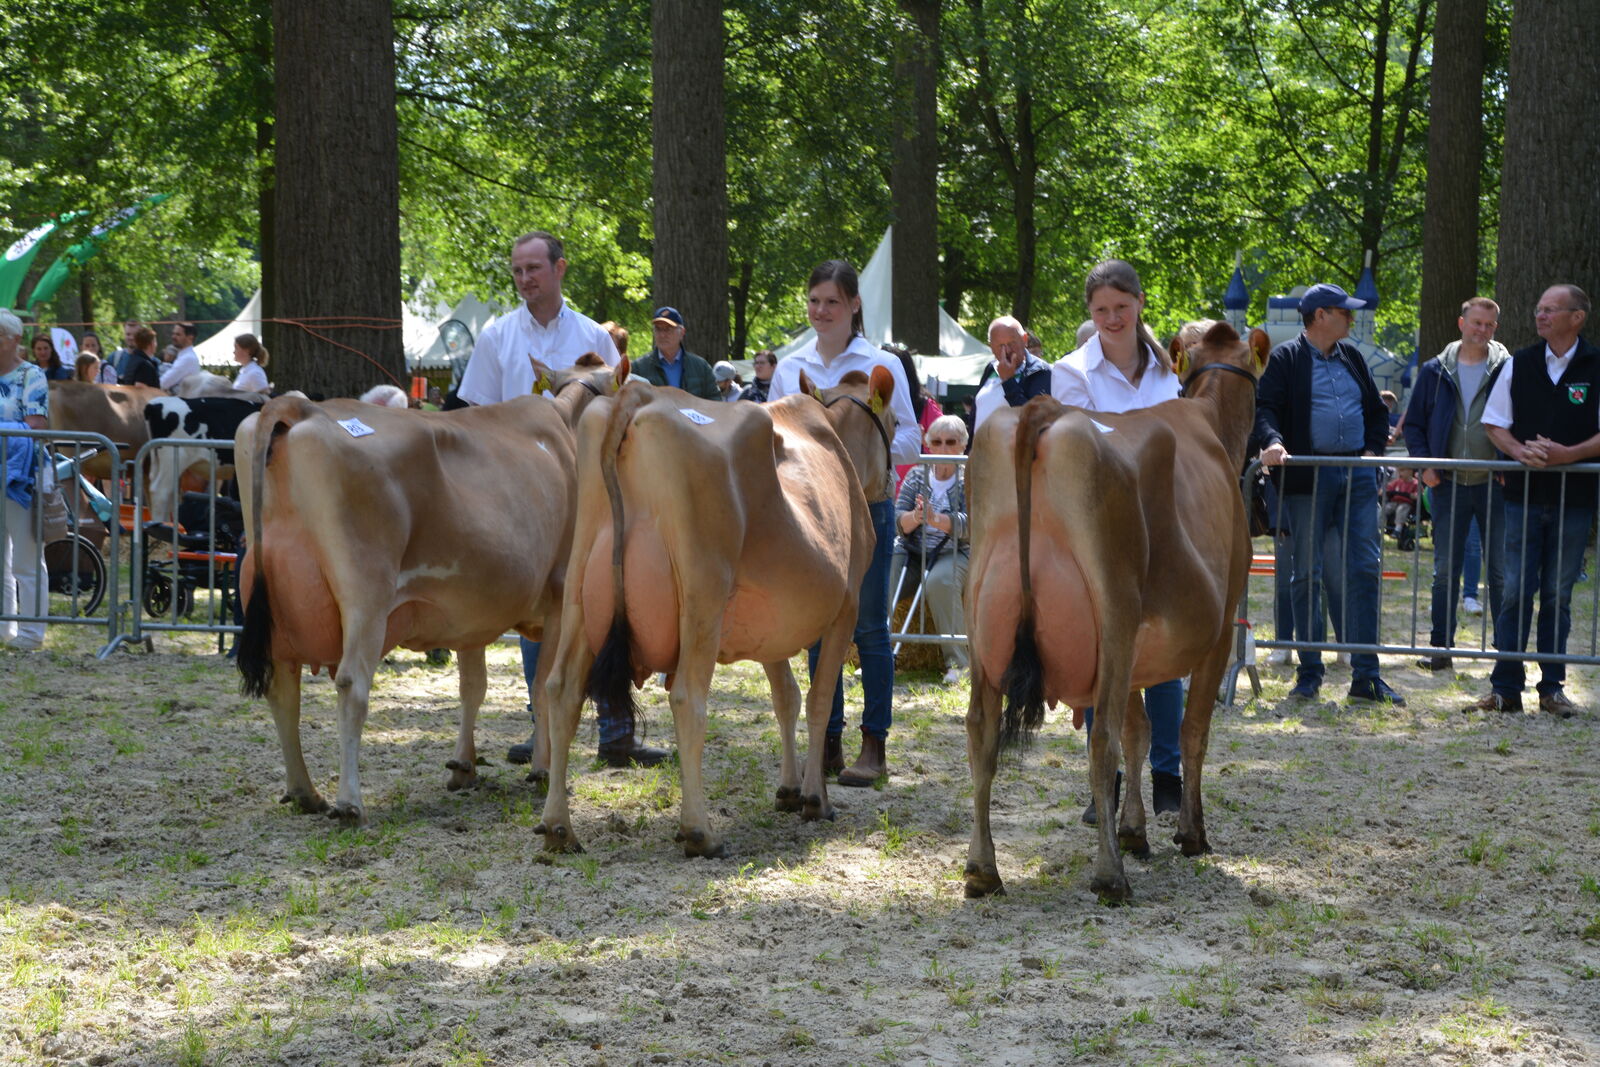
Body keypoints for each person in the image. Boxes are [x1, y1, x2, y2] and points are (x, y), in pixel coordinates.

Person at [454, 232, 658, 768]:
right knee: (537, 605)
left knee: (607, 595)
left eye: (534, 268)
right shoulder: (497, 336)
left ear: (560, 268)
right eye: (518, 270)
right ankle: (543, 727)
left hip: (592, 483)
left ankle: (616, 730)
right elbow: (471, 416)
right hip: (522, 492)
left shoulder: (594, 335)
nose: (525, 279)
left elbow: (623, 410)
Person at [767, 259, 920, 786]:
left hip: (870, 504)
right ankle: (824, 739)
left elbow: (909, 442)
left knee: (872, 626)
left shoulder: (884, 364)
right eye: (813, 301)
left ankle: (874, 743)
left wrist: (853, 444)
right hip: (809, 508)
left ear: (854, 305)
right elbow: (773, 436)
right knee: (814, 624)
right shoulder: (790, 369)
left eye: (832, 301)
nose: (821, 310)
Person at [1053, 260, 1189, 823]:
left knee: (1164, 651)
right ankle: (1103, 778)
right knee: (1105, 654)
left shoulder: (1169, 369)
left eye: (1121, 307)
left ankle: (1166, 774)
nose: (1112, 318)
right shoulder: (1070, 373)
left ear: (1138, 305)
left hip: (1164, 520)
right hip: (1101, 527)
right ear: (1090, 313)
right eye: (1101, 310)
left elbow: (1182, 434)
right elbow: (1081, 443)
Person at [1257, 282, 1404, 706]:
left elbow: (1377, 412)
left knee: (1365, 568)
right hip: (1307, 478)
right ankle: (1309, 674)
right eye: (1344, 311)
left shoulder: (1353, 357)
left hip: (1356, 478)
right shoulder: (1286, 358)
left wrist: (1372, 451)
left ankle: (1367, 677)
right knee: (1306, 573)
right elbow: (1264, 409)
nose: (1352, 318)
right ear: (1320, 315)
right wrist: (1273, 441)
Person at [1466, 284, 1599, 716]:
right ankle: (1505, 689)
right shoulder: (1518, 363)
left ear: (1576, 317)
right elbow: (1494, 423)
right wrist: (1520, 451)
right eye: (1538, 308)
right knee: (1514, 594)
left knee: (1558, 597)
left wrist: (1569, 455)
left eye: (1550, 310)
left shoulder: (1596, 364)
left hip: (1574, 500)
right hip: (1522, 499)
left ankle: (1552, 689)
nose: (1540, 316)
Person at [1403, 296, 1509, 671]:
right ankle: (1440, 648)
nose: (1482, 330)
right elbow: (1413, 425)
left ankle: (1506, 652)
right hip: (1446, 485)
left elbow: (1521, 420)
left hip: (1495, 485)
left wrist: (1507, 461)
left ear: (1495, 329)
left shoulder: (1506, 369)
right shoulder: (1434, 370)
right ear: (1461, 323)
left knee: (1500, 570)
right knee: (1445, 569)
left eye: (1489, 325)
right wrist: (1425, 466)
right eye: (1477, 323)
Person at [891, 414, 970, 685]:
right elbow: (897, 519)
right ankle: (876, 656)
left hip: (954, 551)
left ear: (962, 446)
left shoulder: (968, 477)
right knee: (882, 580)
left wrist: (938, 519)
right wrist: (916, 517)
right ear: (928, 445)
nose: (944, 448)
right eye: (937, 442)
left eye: (951, 442)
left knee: (939, 582)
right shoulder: (916, 474)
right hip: (913, 550)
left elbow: (974, 526)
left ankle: (959, 663)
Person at [0, 308, 49, 650]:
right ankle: (3, 629)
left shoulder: (32, 376)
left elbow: (35, 426)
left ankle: (31, 634)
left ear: (15, 340)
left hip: (22, 476)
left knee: (27, 560)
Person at [972, 315, 1051, 429]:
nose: (1007, 351)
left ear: (1024, 340)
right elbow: (975, 413)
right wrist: (970, 445)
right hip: (980, 446)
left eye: (1011, 343)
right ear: (991, 346)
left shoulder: (1039, 370)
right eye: (1001, 346)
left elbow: (1036, 421)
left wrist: (1008, 381)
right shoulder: (990, 368)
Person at [886, 345, 943, 493]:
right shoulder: (871, 403)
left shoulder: (926, 406)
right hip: (883, 484)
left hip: (917, 489)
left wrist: (925, 440)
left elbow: (949, 441)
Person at [632, 307, 719, 400]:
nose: (662, 335)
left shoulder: (701, 367)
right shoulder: (638, 368)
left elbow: (715, 403)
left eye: (668, 329)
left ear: (682, 332)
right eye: (658, 329)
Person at [159, 322, 202, 392]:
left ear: (190, 338)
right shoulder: (184, 356)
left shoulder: (187, 358)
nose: (173, 337)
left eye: (178, 334)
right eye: (173, 334)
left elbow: (163, 383)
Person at [1381, 468, 1419, 534]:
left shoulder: (1415, 483)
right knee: (1384, 509)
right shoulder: (1397, 482)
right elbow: (1386, 489)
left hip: (1406, 503)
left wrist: (1410, 495)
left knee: (1401, 509)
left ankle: (1398, 528)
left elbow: (1417, 495)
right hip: (1394, 502)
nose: (1399, 473)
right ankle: (1378, 526)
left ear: (1410, 471)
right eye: (1398, 471)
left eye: (1402, 470)